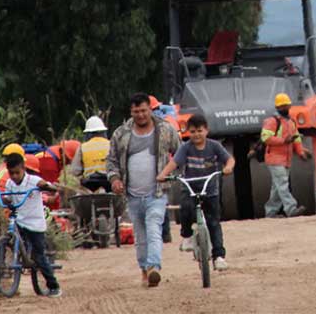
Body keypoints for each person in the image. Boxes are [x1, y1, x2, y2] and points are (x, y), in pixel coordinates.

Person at [106, 93, 182, 288]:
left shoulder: (165, 130)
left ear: (150, 110)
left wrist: (174, 175)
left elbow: (180, 154)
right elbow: (112, 161)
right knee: (140, 236)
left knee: (154, 228)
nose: (140, 115)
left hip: (157, 193)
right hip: (132, 195)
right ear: (131, 112)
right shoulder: (121, 134)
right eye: (136, 111)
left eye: (143, 111)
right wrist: (114, 179)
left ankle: (154, 267)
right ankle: (144, 269)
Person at [156, 114, 234, 271]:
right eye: (192, 131)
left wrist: (228, 167)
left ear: (206, 130)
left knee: (213, 222)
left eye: (199, 130)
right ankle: (187, 237)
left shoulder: (214, 146)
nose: (196, 134)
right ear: (187, 133)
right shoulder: (186, 147)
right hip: (190, 187)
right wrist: (163, 174)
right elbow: (174, 162)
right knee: (185, 209)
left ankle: (219, 256)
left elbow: (230, 159)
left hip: (209, 188)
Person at [2, 153, 62, 298]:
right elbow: (8, 197)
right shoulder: (10, 183)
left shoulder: (33, 181)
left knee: (39, 256)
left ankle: (53, 286)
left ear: (24, 169)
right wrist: (2, 197)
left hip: (34, 223)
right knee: (7, 241)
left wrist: (47, 187)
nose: (14, 176)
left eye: (17, 172)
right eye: (11, 173)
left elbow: (43, 184)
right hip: (19, 220)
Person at [261, 93, 312, 218]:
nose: (286, 108)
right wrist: (283, 141)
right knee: (283, 183)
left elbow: (296, 139)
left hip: (285, 159)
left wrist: (301, 152)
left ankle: (271, 212)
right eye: (283, 106)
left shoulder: (290, 122)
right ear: (277, 107)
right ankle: (291, 208)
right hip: (275, 158)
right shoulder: (272, 121)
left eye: (287, 105)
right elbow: (265, 137)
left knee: (277, 188)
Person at [70, 116, 112, 192]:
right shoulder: (111, 144)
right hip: (109, 181)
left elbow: (75, 171)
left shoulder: (83, 147)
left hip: (90, 184)